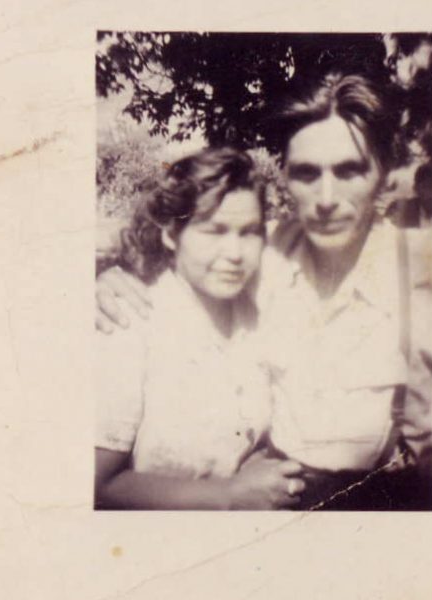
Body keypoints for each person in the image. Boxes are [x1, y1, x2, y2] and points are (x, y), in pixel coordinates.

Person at [96, 73, 432, 510]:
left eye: (349, 171)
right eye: (306, 173)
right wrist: (107, 284)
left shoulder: (429, 272)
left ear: (383, 173)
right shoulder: (264, 250)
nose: (326, 198)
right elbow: (196, 242)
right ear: (286, 176)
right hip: (263, 501)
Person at [94, 147, 305, 510]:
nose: (235, 253)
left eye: (249, 232)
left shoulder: (259, 314)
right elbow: (94, 485)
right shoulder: (129, 322)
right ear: (171, 234)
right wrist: (227, 495)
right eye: (213, 231)